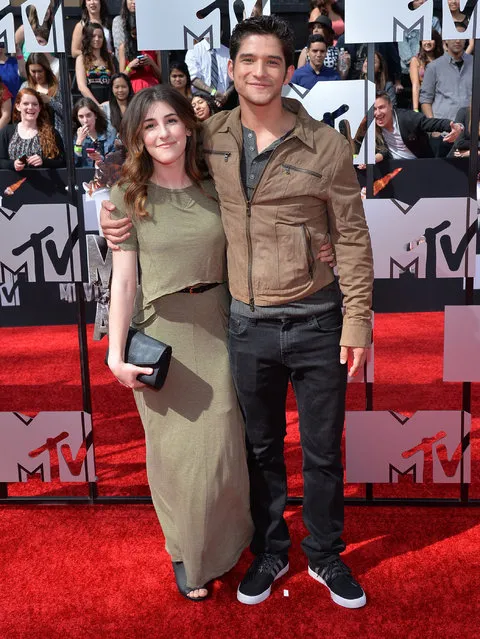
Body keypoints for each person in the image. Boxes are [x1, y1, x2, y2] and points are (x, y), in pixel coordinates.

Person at [100, 15, 372, 610]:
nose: (259, 71)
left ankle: (325, 555)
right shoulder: (211, 138)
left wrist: (357, 320)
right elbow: (152, 174)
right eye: (248, 60)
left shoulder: (327, 146)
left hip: (318, 318)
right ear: (230, 68)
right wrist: (110, 217)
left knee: (323, 451)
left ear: (290, 68)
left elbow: (349, 237)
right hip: (245, 324)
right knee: (260, 451)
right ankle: (271, 551)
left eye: (272, 61)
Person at [106, 85, 253, 601]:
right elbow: (123, 281)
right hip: (163, 333)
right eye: (149, 126)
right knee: (174, 457)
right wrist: (114, 352)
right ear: (138, 138)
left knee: (221, 449)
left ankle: (231, 542)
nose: (162, 133)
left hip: (219, 325)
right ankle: (185, 553)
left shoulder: (218, 187)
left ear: (188, 127)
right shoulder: (126, 196)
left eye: (170, 121)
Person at [355, 91, 464, 162]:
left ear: (391, 106)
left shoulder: (408, 118)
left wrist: (456, 126)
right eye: (374, 109)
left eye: (381, 107)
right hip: (390, 167)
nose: (377, 113)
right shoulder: (370, 125)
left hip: (417, 164)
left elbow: (432, 123)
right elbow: (381, 150)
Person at [0, 88, 64, 169]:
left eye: (34, 104)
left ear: (39, 108)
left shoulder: (52, 132)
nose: (30, 107)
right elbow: (1, 161)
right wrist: (13, 164)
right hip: (14, 181)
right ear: (18, 106)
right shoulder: (6, 132)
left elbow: (62, 162)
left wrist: (43, 161)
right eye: (26, 104)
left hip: (44, 181)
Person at [420, 39, 473, 121]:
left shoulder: (476, 63)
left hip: (472, 127)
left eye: (462, 37)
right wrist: (434, 129)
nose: (458, 40)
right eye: (454, 37)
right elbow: (425, 100)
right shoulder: (433, 67)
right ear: (446, 41)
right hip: (443, 128)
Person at [20, 53, 63, 137]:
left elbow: (68, 112)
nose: (37, 75)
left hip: (56, 134)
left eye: (40, 71)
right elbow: (18, 112)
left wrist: (50, 101)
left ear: (46, 69)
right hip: (32, 135)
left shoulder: (57, 87)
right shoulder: (25, 86)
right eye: (33, 71)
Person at [185, 37, 234, 109]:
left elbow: (234, 79)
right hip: (201, 104)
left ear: (221, 33)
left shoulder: (227, 52)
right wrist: (214, 92)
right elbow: (193, 79)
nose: (211, 33)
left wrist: (225, 95)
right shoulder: (194, 51)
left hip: (224, 104)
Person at [75, 22, 116, 105]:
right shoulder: (81, 58)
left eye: (100, 36)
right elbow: (82, 87)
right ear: (88, 38)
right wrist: (97, 105)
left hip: (108, 101)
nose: (97, 39)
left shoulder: (108, 58)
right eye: (93, 36)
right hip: (91, 103)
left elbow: (114, 82)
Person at [119, 13, 161, 92]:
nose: (138, 37)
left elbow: (162, 77)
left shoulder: (155, 46)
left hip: (152, 87)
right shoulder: (124, 47)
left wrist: (152, 63)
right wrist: (130, 66)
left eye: (140, 33)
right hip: (132, 87)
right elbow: (121, 78)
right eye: (134, 34)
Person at [14, 0, 55, 78]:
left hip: (48, 75)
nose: (45, 11)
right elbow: (12, 53)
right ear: (34, 10)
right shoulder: (25, 29)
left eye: (47, 8)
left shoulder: (54, 31)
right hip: (28, 75)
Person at [73, 97, 116, 167]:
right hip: (83, 176)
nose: (85, 120)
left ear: (95, 115)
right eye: (81, 117)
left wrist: (101, 159)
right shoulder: (75, 137)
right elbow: (73, 165)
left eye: (88, 115)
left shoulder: (110, 134)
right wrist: (79, 143)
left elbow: (116, 162)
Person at [409, 31, 443, 113]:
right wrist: (415, 109)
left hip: (440, 99)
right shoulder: (416, 60)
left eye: (431, 39)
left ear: (436, 41)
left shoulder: (443, 59)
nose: (427, 42)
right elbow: (416, 86)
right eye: (424, 40)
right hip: (424, 101)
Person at [101, 72, 133, 137]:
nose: (120, 90)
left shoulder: (136, 105)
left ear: (129, 88)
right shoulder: (105, 107)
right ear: (112, 89)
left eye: (124, 87)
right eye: (117, 87)